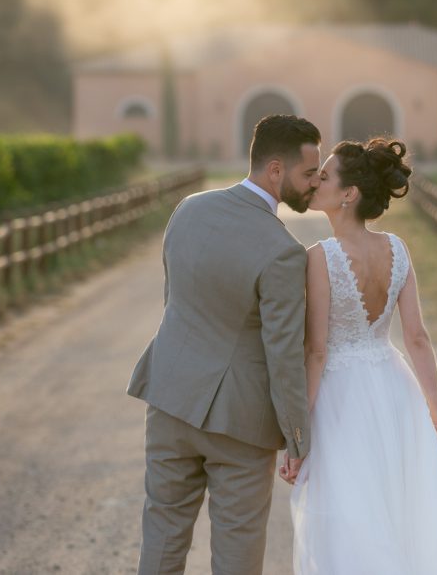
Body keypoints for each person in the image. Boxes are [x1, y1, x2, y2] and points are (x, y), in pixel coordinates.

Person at [288, 137, 437, 575]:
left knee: (354, 514)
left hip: (341, 398)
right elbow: (417, 338)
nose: (316, 182)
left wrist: (299, 433)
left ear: (349, 194)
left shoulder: (321, 257)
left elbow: (315, 352)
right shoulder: (398, 248)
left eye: (326, 176)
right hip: (393, 387)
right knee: (404, 508)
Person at [127, 114, 321, 575]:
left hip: (170, 399)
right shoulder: (283, 251)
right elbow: (284, 353)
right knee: (237, 549)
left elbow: (177, 297)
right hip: (239, 425)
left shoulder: (189, 208)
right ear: (276, 169)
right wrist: (298, 437)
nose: (314, 183)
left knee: (162, 533)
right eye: (308, 173)